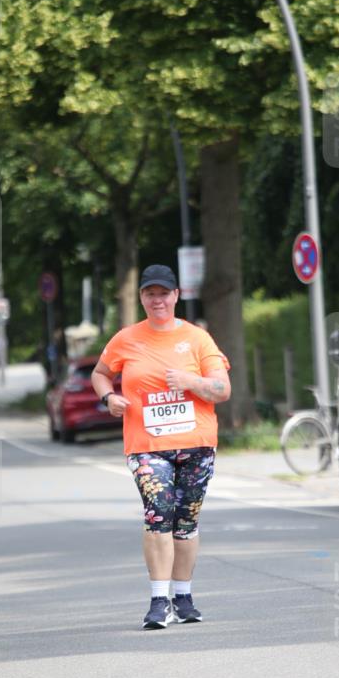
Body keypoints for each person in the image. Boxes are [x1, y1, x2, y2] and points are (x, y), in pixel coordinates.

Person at [92, 264, 231, 629]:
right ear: (141, 298)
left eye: (164, 293)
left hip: (196, 444)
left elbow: (222, 389)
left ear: (176, 296)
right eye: (150, 293)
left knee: (186, 521)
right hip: (147, 446)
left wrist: (190, 380)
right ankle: (158, 600)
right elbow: (100, 372)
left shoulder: (198, 339)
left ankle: (182, 596)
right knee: (158, 514)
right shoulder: (126, 338)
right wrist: (109, 397)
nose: (158, 300)